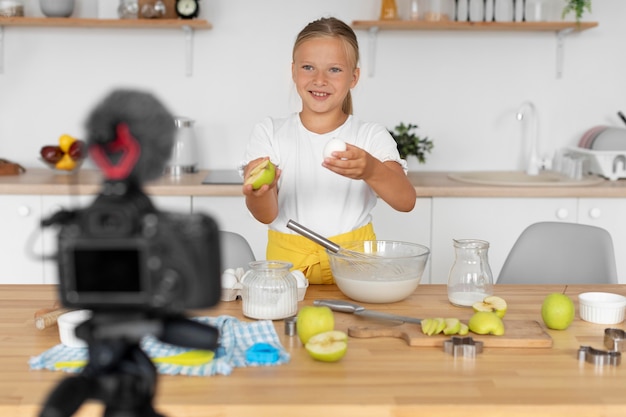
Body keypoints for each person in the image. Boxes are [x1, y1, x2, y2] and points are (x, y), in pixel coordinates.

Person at [241, 16, 417, 284]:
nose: (319, 79)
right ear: (293, 71)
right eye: (308, 67)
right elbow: (266, 215)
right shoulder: (270, 132)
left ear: (354, 77)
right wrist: (258, 193)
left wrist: (371, 169)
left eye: (334, 69)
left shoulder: (370, 135)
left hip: (356, 267)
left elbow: (406, 201)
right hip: (288, 273)